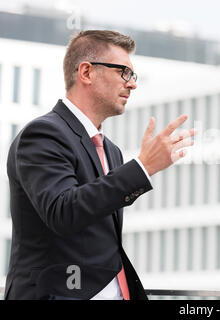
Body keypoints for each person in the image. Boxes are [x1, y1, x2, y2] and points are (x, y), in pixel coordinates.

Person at [5, 30, 195, 300]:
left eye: (133, 76)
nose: (132, 84)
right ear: (86, 72)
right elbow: (63, 212)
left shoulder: (111, 151)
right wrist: (142, 168)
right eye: (123, 72)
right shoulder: (42, 135)